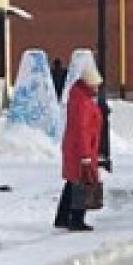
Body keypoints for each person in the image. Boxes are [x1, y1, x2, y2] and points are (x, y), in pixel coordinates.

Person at [54, 54, 105, 232]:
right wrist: (85, 154)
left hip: (75, 147)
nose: (98, 87)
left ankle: (62, 217)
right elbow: (82, 129)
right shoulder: (82, 102)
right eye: (96, 84)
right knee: (81, 182)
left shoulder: (79, 98)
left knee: (72, 181)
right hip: (81, 149)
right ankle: (76, 219)